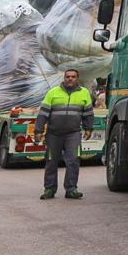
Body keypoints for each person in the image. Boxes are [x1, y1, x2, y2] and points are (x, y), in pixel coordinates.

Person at [35, 68, 94, 200]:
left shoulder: (84, 93)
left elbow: (88, 114)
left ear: (77, 78)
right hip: (53, 134)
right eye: (68, 76)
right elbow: (43, 113)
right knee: (51, 161)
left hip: (73, 134)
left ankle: (71, 189)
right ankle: (49, 189)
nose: (70, 79)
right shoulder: (53, 92)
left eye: (73, 77)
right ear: (64, 78)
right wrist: (38, 131)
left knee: (73, 160)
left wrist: (88, 128)